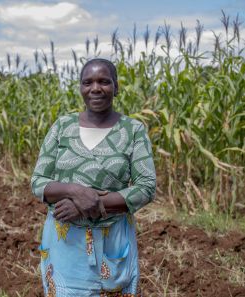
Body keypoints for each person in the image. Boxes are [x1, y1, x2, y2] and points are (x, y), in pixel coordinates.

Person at [31, 58, 156, 296]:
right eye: (87, 82)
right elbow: (38, 182)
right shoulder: (62, 127)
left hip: (113, 239)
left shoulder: (133, 131)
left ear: (116, 87)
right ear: (80, 88)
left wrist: (91, 205)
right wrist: (76, 192)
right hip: (65, 240)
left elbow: (146, 187)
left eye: (104, 81)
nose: (95, 88)